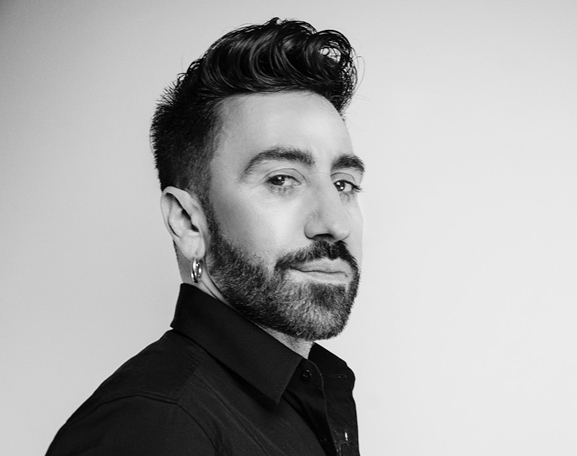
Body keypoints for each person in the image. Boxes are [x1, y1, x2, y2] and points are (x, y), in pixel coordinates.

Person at [46, 18, 364, 456]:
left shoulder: (306, 396)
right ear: (188, 223)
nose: (335, 223)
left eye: (344, 184)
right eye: (281, 179)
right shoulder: (152, 426)